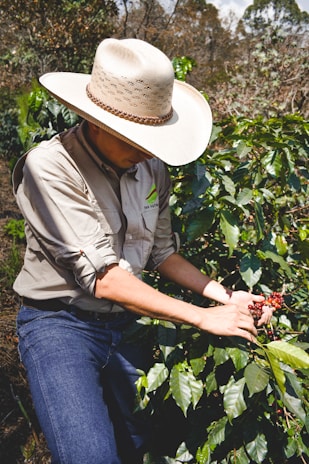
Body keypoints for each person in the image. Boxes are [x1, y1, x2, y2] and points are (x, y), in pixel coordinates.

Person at [13, 38, 270, 464]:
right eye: (134, 139)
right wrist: (204, 317)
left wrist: (226, 297)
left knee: (140, 442)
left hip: (128, 322)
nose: (146, 151)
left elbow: (161, 254)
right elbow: (104, 277)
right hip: (60, 324)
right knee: (88, 454)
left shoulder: (149, 167)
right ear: (94, 122)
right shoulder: (49, 167)